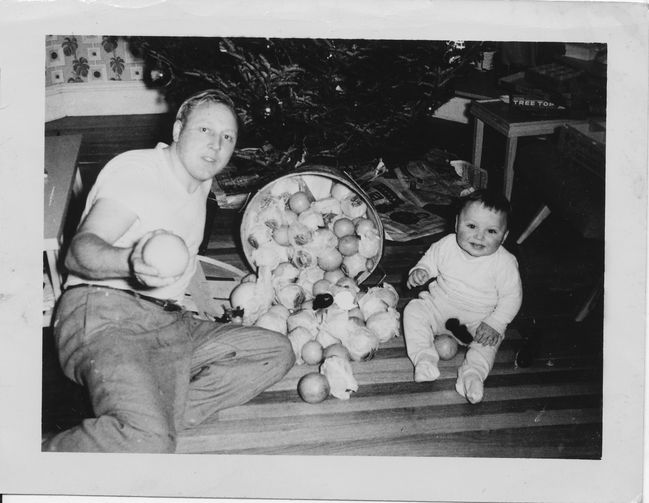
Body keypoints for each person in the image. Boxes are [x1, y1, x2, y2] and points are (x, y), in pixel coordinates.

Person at [42, 90, 295, 452]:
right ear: (178, 129)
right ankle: (34, 460)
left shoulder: (200, 182)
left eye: (227, 137)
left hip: (171, 323)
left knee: (276, 352)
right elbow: (79, 253)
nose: (216, 145)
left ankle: (144, 421)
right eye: (205, 130)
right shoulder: (138, 172)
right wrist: (131, 261)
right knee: (150, 442)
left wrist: (211, 310)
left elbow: (186, 259)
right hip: (105, 314)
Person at [403, 189, 523, 404]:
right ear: (457, 222)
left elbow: (512, 298)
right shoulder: (447, 245)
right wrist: (421, 271)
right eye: (471, 226)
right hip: (439, 309)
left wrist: (495, 323)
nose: (479, 236)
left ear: (504, 237)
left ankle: (473, 375)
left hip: (478, 323)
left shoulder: (505, 263)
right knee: (413, 309)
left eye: (491, 231)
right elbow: (430, 261)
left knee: (489, 343)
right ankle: (424, 357)